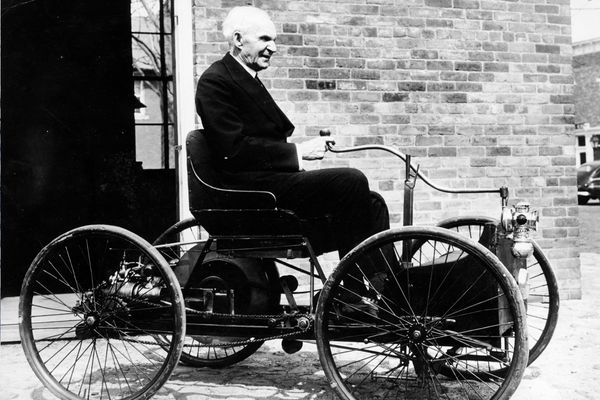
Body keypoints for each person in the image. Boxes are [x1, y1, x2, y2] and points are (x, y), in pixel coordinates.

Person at [195, 6, 391, 302]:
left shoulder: (244, 77)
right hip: (249, 196)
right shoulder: (216, 81)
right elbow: (232, 151)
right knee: (351, 180)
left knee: (372, 202)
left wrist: (296, 154)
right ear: (238, 39)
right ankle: (346, 297)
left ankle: (386, 292)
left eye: (273, 40)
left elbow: (258, 140)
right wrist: (297, 153)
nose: (272, 47)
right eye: (264, 39)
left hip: (268, 185)